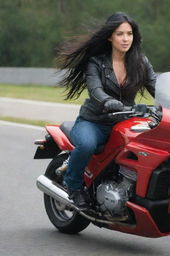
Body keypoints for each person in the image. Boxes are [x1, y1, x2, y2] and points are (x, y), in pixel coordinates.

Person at [57, 12, 156, 208]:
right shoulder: (96, 62)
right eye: (120, 34)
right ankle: (73, 186)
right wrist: (108, 101)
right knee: (86, 145)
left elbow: (158, 87)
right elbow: (95, 90)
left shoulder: (140, 62)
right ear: (110, 36)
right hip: (94, 121)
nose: (126, 38)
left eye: (129, 33)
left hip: (127, 122)